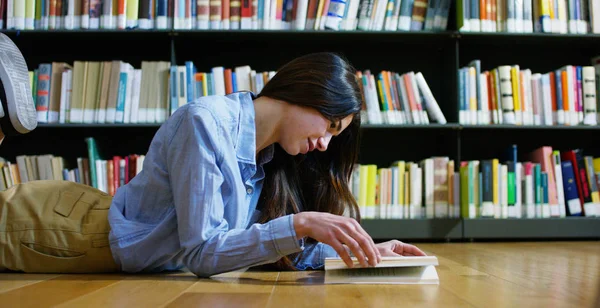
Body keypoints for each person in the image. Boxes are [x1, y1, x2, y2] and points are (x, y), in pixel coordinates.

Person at [0, 33, 426, 277]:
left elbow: (250, 247)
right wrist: (300, 222)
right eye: (330, 127)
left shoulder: (265, 160)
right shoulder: (205, 123)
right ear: (308, 94)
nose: (325, 144)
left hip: (89, 221)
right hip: (58, 231)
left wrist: (363, 252)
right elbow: (202, 253)